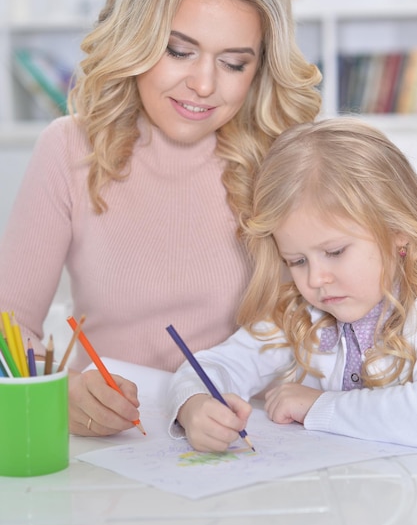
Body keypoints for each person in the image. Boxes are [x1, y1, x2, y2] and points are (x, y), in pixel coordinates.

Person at [0, 0, 321, 436]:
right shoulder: (68, 149)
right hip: (119, 442)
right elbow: (9, 333)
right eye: (178, 51)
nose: (204, 84)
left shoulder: (284, 161)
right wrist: (61, 394)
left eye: (234, 63)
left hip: (252, 439)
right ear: (136, 40)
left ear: (260, 69)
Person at [167, 117, 417, 451]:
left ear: (397, 232)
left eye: (335, 251)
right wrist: (195, 405)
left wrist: (317, 405)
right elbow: (217, 366)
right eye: (297, 261)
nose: (315, 280)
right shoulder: (300, 313)